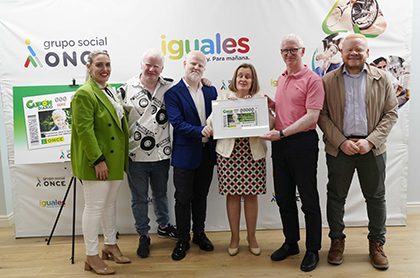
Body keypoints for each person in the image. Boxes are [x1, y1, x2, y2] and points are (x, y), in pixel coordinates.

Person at [318, 33, 398, 270]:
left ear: (367, 53)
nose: (354, 53)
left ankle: (377, 243)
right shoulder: (327, 80)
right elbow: (321, 115)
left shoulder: (382, 78)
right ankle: (336, 240)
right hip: (339, 149)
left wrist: (371, 141)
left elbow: (391, 113)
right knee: (336, 197)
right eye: (349, 49)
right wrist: (341, 142)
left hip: (372, 150)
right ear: (341, 52)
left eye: (359, 49)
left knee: (376, 198)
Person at [260, 33, 324, 272]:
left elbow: (311, 116)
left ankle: (313, 249)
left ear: (303, 51)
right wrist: (272, 105)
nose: (288, 54)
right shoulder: (282, 77)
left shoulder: (313, 79)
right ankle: (291, 243)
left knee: (308, 199)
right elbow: (289, 109)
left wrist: (283, 133)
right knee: (285, 198)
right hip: (281, 143)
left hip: (302, 143)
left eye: (293, 50)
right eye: (284, 51)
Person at [71, 50, 130, 275]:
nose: (104, 69)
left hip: (114, 158)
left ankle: (110, 244)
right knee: (94, 208)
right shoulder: (84, 93)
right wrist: (98, 160)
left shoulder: (109, 91)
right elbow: (84, 130)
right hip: (98, 161)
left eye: (107, 64)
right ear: (89, 67)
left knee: (109, 205)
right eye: (99, 65)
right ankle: (91, 255)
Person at [116, 49, 177, 259]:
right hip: (135, 156)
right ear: (141, 65)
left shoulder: (170, 87)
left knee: (161, 194)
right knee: (139, 198)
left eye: (156, 66)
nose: (151, 69)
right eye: (148, 65)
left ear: (162, 69)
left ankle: (164, 225)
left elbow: (191, 88)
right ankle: (143, 234)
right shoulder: (125, 88)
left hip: (162, 153)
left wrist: (203, 81)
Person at [207, 63, 270, 257]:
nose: (243, 79)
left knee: (251, 196)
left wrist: (256, 108)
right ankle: (234, 238)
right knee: (232, 196)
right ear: (235, 79)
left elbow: (270, 125)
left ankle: (252, 238)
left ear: (253, 81)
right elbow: (210, 123)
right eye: (240, 76)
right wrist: (227, 108)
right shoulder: (224, 97)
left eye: (247, 76)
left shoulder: (260, 98)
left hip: (252, 154)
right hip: (229, 154)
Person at [164, 50, 218, 261]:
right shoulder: (173, 93)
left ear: (204, 69)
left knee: (201, 196)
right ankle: (182, 239)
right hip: (185, 155)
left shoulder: (210, 90)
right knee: (183, 198)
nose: (196, 68)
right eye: (193, 64)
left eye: (200, 66)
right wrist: (200, 130)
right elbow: (177, 123)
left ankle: (199, 234)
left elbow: (221, 113)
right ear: (185, 63)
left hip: (207, 153)